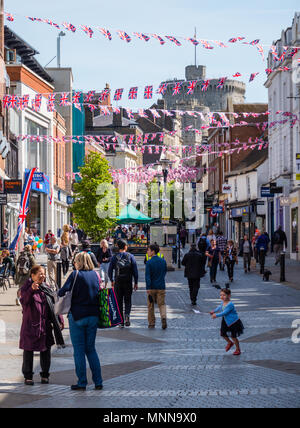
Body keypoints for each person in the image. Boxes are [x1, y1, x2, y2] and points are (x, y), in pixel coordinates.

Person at [58, 252, 103, 391]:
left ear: (78, 262)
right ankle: (98, 381)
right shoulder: (96, 275)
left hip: (77, 316)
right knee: (91, 349)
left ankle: (82, 382)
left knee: (78, 350)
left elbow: (62, 291)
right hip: (93, 316)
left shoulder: (75, 274)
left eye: (75, 261)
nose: (74, 263)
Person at [19, 265, 64, 386]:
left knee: (46, 350)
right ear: (32, 275)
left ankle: (45, 375)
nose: (42, 276)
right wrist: (31, 290)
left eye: (43, 273)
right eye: (40, 273)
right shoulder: (26, 288)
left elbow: (54, 304)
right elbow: (24, 302)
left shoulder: (46, 288)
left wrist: (59, 319)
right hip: (30, 326)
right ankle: (28, 376)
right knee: (28, 351)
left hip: (45, 326)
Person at [108, 240, 138, 328]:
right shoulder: (131, 256)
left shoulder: (114, 257)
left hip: (118, 282)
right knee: (128, 300)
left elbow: (110, 271)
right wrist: (135, 282)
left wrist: (112, 280)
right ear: (125, 246)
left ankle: (121, 321)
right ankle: (127, 315)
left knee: (119, 301)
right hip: (128, 281)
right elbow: (135, 271)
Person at [210, 288, 244, 356]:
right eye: (221, 295)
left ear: (229, 295)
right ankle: (229, 342)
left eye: (224, 295)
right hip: (225, 321)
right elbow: (220, 307)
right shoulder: (223, 302)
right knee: (222, 333)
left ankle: (238, 349)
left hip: (233, 322)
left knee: (233, 336)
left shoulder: (230, 304)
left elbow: (225, 312)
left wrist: (216, 315)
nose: (222, 297)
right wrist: (214, 311)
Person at [145, 244, 168, 329]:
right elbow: (165, 272)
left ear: (153, 251)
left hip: (152, 287)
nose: (147, 252)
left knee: (150, 306)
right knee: (162, 304)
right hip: (161, 286)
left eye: (148, 250)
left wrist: (148, 287)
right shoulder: (163, 261)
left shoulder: (149, 262)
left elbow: (148, 276)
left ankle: (151, 323)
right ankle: (163, 318)